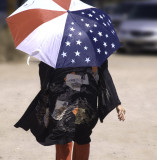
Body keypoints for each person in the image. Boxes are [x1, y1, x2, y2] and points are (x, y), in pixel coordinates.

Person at [14, 59, 126, 160]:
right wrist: (46, 88)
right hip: (62, 97)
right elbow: (45, 66)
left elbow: (104, 73)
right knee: (61, 133)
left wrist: (117, 102)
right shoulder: (58, 42)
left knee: (82, 134)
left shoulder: (94, 46)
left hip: (85, 99)